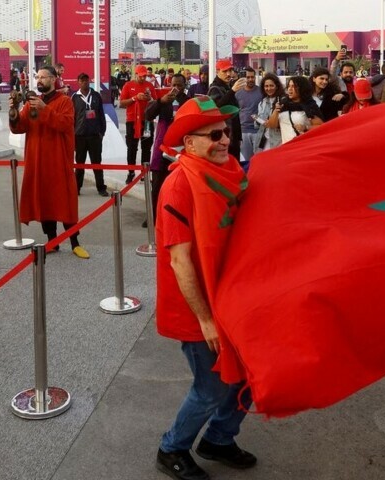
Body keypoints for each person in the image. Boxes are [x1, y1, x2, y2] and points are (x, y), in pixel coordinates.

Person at [155, 95, 256, 479]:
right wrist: (205, 320)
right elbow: (180, 262)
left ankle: (218, 438)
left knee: (247, 375)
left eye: (226, 131)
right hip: (198, 308)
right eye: (214, 134)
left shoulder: (230, 170)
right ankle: (172, 448)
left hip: (231, 297)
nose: (225, 140)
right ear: (190, 142)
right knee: (211, 388)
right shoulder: (179, 185)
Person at [8, 66, 89, 259]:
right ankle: (52, 241)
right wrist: (13, 112)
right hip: (38, 162)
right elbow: (20, 128)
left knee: (65, 202)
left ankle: (75, 242)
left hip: (59, 161)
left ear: (53, 79)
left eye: (43, 77)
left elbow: (64, 124)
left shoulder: (65, 101)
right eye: (37, 77)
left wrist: (44, 110)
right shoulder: (31, 104)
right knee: (44, 202)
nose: (39, 80)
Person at [145, 73, 189, 226]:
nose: (176, 88)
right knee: (156, 186)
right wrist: (160, 101)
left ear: (185, 85)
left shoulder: (189, 102)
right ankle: (153, 217)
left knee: (178, 186)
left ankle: (174, 217)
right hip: (161, 148)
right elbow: (148, 115)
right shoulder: (164, 99)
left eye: (179, 85)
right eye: (174, 85)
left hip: (181, 150)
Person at [119, 65, 158, 184]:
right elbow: (121, 103)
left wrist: (149, 98)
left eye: (145, 76)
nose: (142, 78)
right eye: (141, 76)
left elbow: (155, 103)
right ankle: (131, 172)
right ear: (135, 74)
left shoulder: (149, 86)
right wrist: (135, 98)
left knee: (146, 148)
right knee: (132, 148)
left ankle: (144, 173)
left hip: (147, 121)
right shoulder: (128, 85)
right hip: (132, 121)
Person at [71, 72, 107, 197]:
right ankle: (77, 188)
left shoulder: (96, 95)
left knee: (97, 163)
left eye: (86, 80)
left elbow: (101, 115)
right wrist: (73, 134)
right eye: (82, 80)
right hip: (79, 136)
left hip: (94, 136)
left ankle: (101, 188)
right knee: (79, 164)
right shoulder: (74, 98)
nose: (85, 82)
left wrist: (102, 132)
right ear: (78, 82)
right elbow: (72, 118)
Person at [265, 75, 323, 144]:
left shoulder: (309, 105)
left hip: (302, 146)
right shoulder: (283, 104)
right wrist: (276, 111)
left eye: (294, 86)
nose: (290, 89)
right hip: (286, 146)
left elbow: (321, 127)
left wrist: (306, 127)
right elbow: (272, 125)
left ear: (302, 88)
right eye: (289, 86)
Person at [209, 59, 245, 161]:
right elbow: (215, 108)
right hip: (224, 137)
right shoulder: (214, 88)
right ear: (217, 71)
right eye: (224, 71)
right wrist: (232, 91)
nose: (229, 74)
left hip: (232, 136)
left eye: (230, 70)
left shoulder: (226, 86)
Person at [235, 67, 264, 167]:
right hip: (243, 132)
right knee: (247, 162)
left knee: (259, 161)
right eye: (248, 77)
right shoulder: (238, 94)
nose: (250, 79)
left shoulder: (261, 92)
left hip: (258, 131)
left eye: (252, 77)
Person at [254, 72, 284, 151]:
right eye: (266, 86)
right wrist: (257, 120)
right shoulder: (262, 102)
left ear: (277, 86)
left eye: (271, 86)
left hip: (279, 140)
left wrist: (273, 123)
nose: (269, 88)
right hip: (264, 140)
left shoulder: (283, 101)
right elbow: (258, 125)